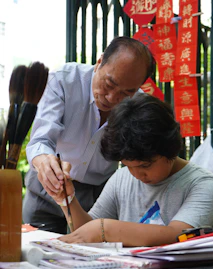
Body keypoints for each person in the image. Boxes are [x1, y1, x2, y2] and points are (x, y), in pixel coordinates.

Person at [23, 36, 155, 234]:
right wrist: (43, 161)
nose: (112, 98)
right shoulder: (63, 80)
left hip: (97, 199)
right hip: (46, 190)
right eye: (109, 84)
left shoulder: (138, 106)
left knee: (90, 258)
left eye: (127, 93)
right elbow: (41, 139)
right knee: (38, 257)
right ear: (99, 62)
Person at [49, 93, 213, 247]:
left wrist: (105, 229)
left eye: (145, 165)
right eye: (128, 165)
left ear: (170, 149)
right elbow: (86, 233)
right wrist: (67, 199)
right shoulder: (122, 178)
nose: (137, 174)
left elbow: (177, 236)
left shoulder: (203, 185)